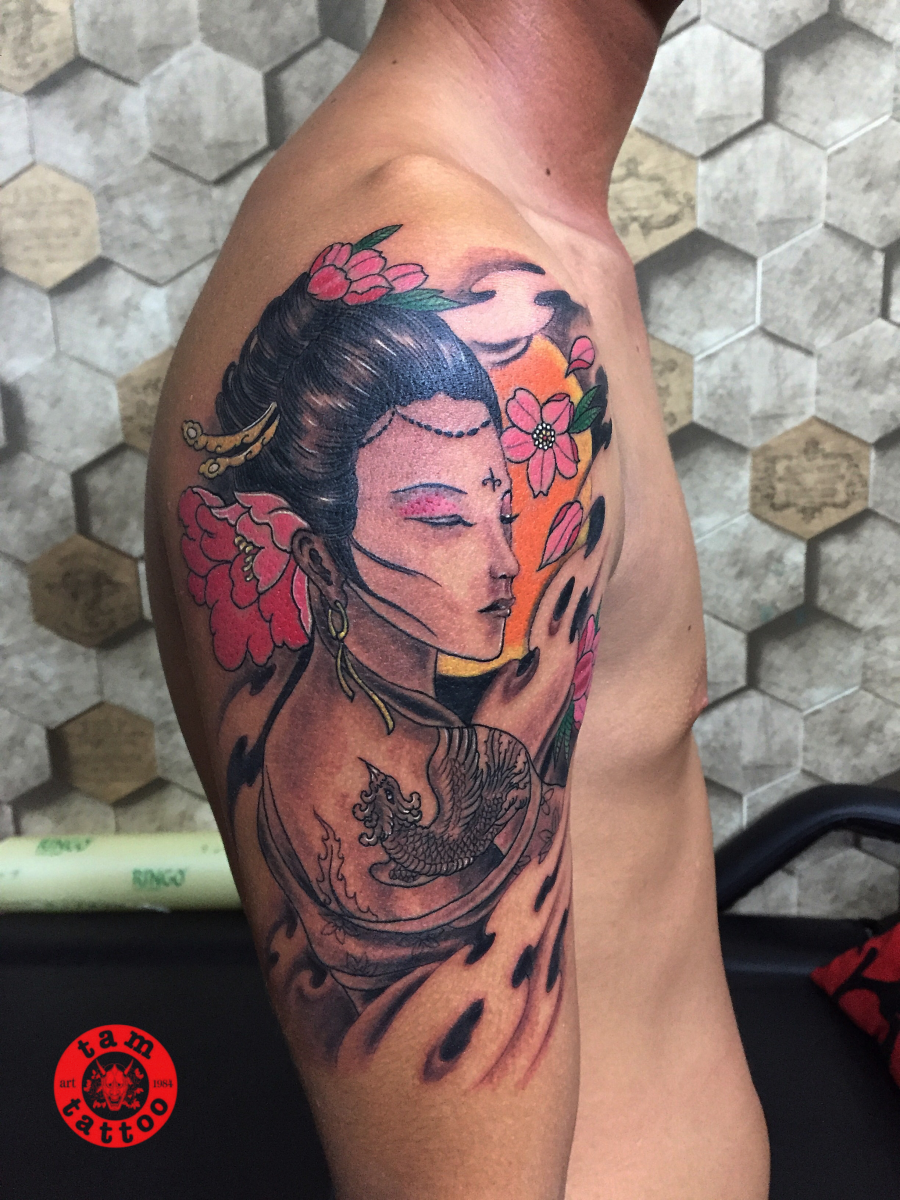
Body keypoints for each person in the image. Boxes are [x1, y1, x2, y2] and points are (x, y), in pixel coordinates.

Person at [146, 2, 770, 1196]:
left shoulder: (527, 252)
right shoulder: (434, 251)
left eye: (498, 501)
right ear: (314, 550)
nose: (501, 563)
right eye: (439, 517)